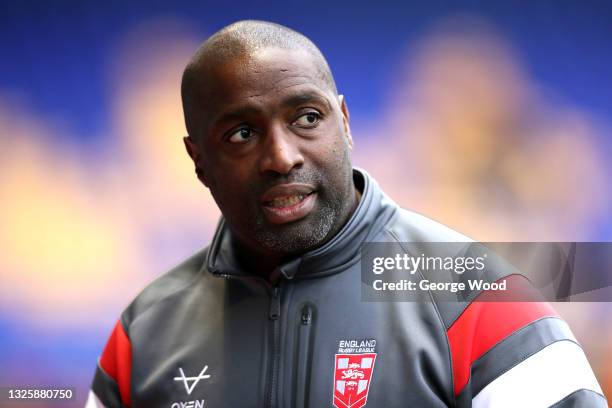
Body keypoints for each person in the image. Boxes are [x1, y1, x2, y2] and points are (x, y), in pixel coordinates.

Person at [87, 20, 607, 408]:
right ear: (198, 159)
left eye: (307, 118)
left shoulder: (477, 296)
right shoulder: (144, 330)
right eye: (242, 133)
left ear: (346, 121)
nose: (281, 157)